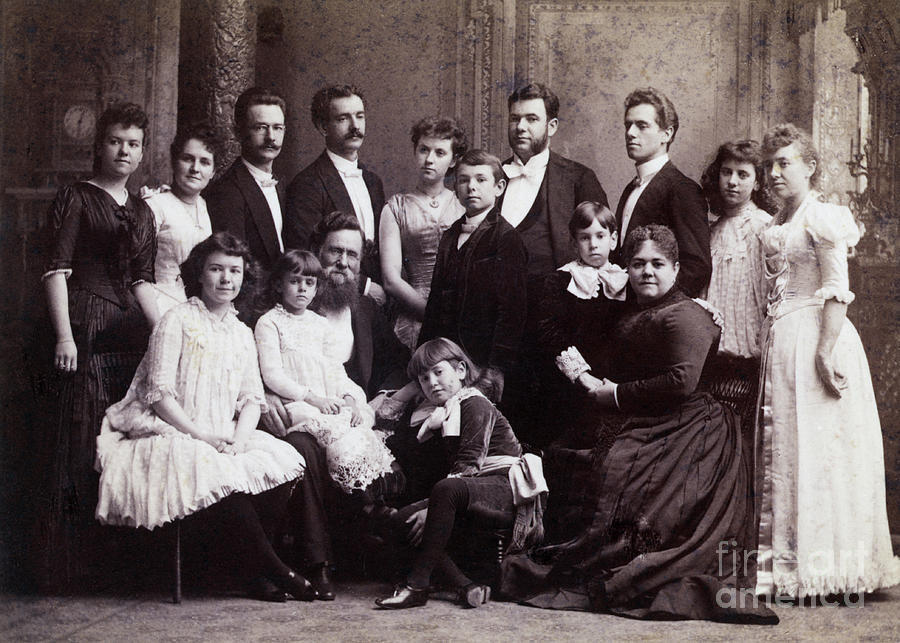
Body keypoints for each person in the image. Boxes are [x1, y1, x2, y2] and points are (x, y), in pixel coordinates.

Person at [501, 225, 777, 624]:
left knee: (620, 473)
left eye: (657, 264)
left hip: (692, 427)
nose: (647, 272)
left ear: (676, 268)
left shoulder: (685, 314)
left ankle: (618, 566)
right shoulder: (640, 307)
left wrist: (614, 394)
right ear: (626, 268)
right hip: (651, 415)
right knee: (575, 456)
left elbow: (681, 381)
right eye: (638, 264)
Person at [94, 232, 316, 603]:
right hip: (168, 429)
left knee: (283, 465)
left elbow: (250, 399)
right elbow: (159, 395)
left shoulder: (242, 332)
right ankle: (276, 571)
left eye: (234, 270)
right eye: (216, 269)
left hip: (221, 431)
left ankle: (251, 572)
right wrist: (201, 436)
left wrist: (241, 442)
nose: (226, 279)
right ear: (199, 273)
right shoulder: (175, 321)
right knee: (220, 474)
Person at [755, 123, 900, 598]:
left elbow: (837, 288)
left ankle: (827, 568)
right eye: (770, 165)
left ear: (811, 167)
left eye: (785, 163)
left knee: (823, 450)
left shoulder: (823, 217)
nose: (774, 173)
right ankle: (787, 564)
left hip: (820, 336)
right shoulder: (778, 224)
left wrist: (823, 349)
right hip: (785, 342)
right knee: (792, 448)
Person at [39, 103, 159, 590]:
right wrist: (65, 335)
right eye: (115, 141)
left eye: (133, 143)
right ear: (100, 146)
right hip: (85, 330)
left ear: (142, 150)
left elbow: (143, 281)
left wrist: (172, 332)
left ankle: (117, 563)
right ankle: (69, 565)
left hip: (129, 337)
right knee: (81, 436)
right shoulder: (76, 197)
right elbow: (55, 270)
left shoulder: (143, 209)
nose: (124, 150)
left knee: (120, 441)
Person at [261, 211, 410, 599]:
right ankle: (318, 562)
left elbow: (398, 364)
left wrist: (375, 402)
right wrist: (266, 398)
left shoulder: (365, 310)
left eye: (352, 255)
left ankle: (369, 540)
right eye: (334, 252)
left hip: (350, 412)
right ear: (316, 253)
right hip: (298, 414)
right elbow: (253, 363)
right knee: (303, 449)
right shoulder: (276, 314)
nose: (342, 263)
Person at [375, 338, 545, 610]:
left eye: (438, 372)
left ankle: (416, 585)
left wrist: (432, 508)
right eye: (424, 378)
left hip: (504, 489)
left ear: (462, 371)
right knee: (401, 520)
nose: (431, 382)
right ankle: (464, 585)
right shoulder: (445, 413)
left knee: (445, 489)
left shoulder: (474, 403)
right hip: (470, 489)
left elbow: (468, 465)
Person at [499, 82, 609, 447]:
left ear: (553, 126)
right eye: (515, 119)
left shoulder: (579, 178)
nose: (521, 128)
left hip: (559, 328)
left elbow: (601, 253)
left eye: (532, 118)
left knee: (559, 432)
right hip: (503, 327)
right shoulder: (491, 177)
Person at [255, 249, 395, 495]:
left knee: (357, 433)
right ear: (278, 284)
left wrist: (349, 399)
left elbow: (334, 371)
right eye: (294, 281)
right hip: (297, 403)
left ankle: (369, 502)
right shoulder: (269, 322)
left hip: (327, 402)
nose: (302, 289)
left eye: (309, 283)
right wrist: (311, 398)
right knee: (338, 441)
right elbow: (272, 374)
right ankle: (357, 504)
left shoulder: (319, 323)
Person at [418, 149, 528, 396]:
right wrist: (424, 355)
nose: (471, 187)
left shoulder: (506, 238)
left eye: (480, 179)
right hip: (445, 359)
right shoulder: (450, 236)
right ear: (456, 187)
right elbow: (435, 301)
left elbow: (511, 311)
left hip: (482, 359)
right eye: (464, 180)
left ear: (499, 187)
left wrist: (495, 368)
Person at [537, 201, 627, 453]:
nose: (593, 244)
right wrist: (581, 376)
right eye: (584, 237)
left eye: (600, 236)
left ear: (614, 239)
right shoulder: (560, 280)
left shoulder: (624, 280)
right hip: (570, 382)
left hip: (613, 380)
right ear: (574, 242)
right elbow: (550, 332)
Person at [286, 85, 386, 297]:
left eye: (359, 116)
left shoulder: (373, 182)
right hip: (329, 299)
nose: (355, 126)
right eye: (343, 119)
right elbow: (306, 257)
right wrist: (366, 287)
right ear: (323, 126)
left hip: (377, 307)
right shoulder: (306, 185)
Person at [613, 87, 710, 297]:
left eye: (642, 125)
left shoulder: (683, 190)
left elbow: (696, 267)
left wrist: (658, 309)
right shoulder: (631, 188)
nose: (630, 133)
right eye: (628, 125)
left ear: (667, 133)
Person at [379, 117, 467, 348]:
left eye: (440, 153)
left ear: (453, 160)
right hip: (413, 312)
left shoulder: (465, 205)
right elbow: (390, 280)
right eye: (423, 150)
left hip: (459, 312)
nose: (429, 159)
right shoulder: (395, 208)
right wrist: (431, 316)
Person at [142, 123, 221, 317]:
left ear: (213, 172)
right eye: (187, 159)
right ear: (174, 162)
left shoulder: (204, 206)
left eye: (204, 162)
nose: (195, 168)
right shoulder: (155, 205)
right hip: (158, 303)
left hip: (198, 305)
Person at [205, 87, 288, 273]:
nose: (271, 137)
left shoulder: (282, 185)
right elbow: (233, 265)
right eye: (260, 128)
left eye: (277, 128)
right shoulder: (227, 192)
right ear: (238, 132)